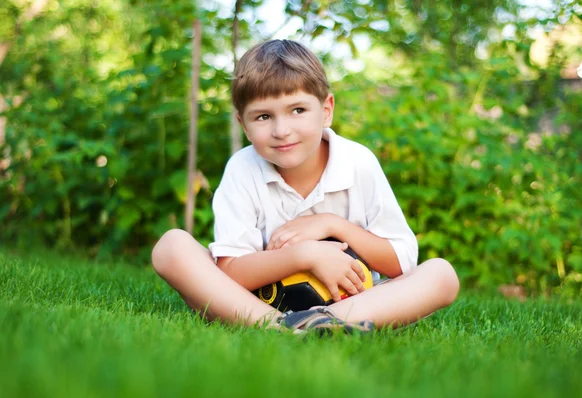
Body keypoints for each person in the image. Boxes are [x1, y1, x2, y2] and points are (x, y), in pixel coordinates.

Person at [151, 39, 459, 334]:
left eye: (297, 110)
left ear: (326, 110)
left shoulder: (357, 162)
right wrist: (305, 255)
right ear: (243, 125)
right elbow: (231, 272)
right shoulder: (243, 169)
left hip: (353, 302)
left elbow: (401, 263)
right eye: (263, 116)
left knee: (441, 275)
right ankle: (276, 326)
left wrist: (331, 224)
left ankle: (323, 323)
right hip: (260, 302)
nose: (281, 130)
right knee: (172, 247)